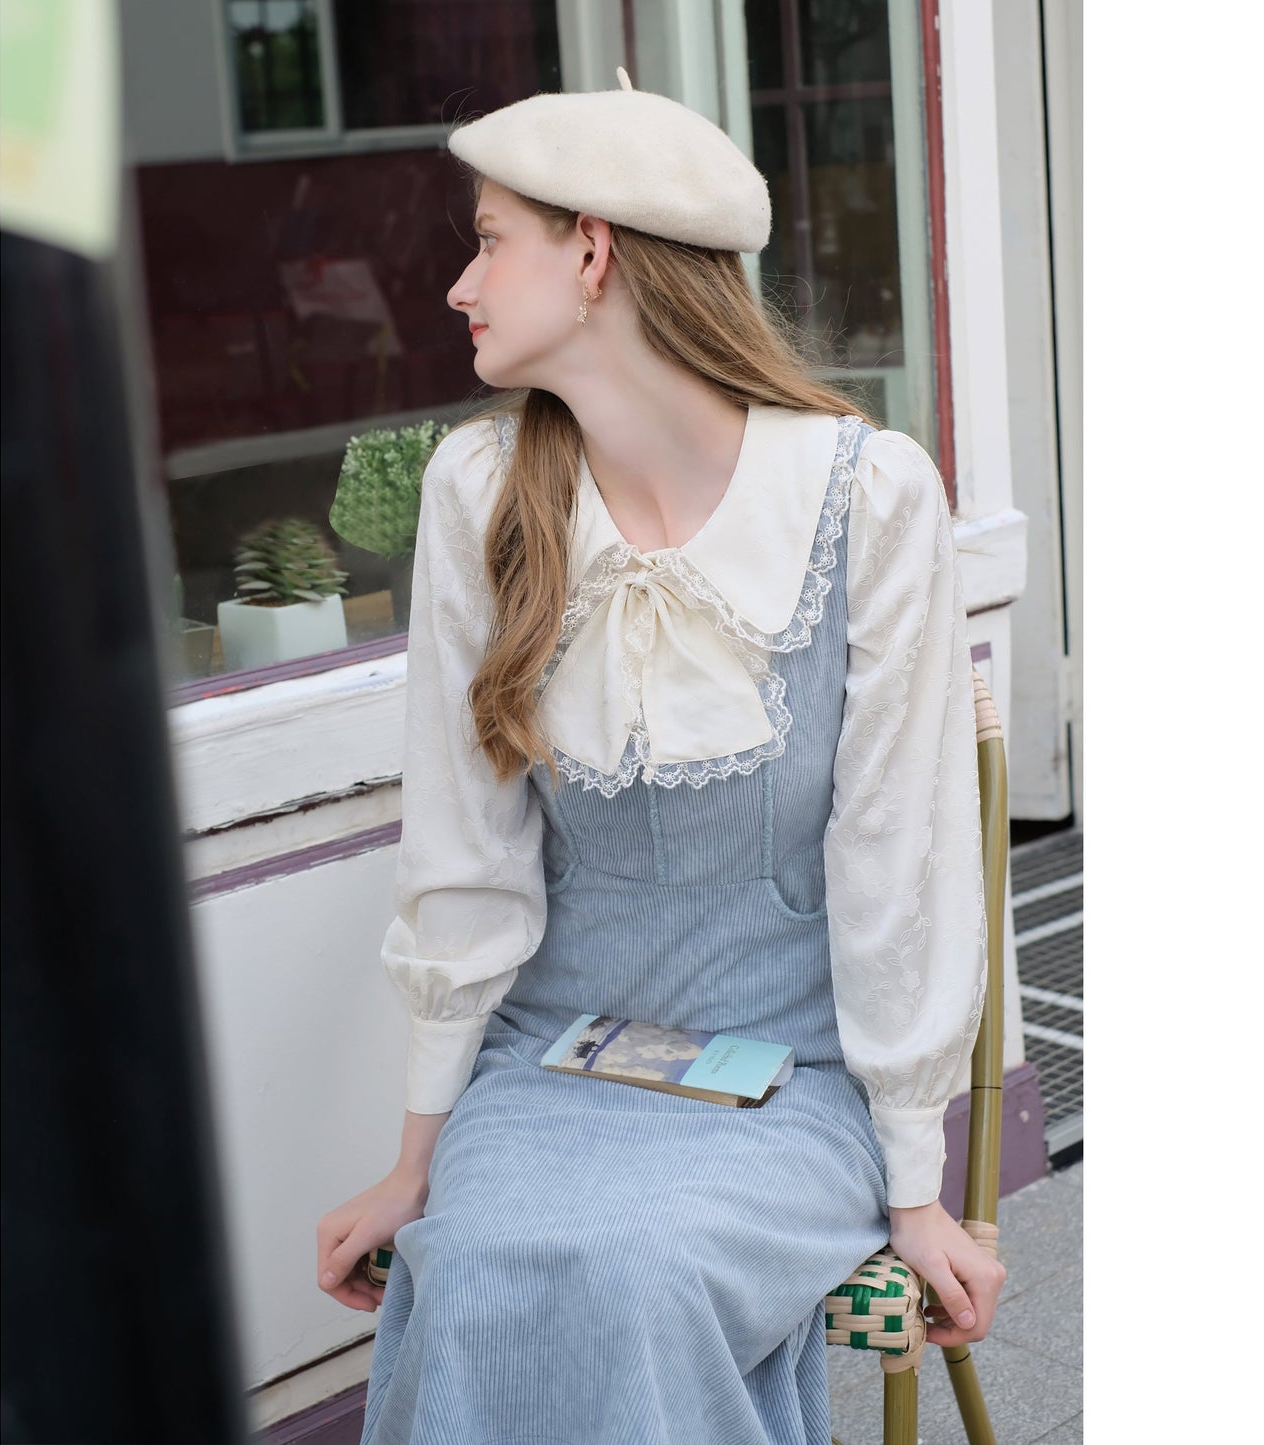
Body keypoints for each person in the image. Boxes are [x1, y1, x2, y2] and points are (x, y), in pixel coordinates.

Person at [317, 69, 1006, 1445]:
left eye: (489, 240)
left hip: (795, 1078)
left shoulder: (866, 497)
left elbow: (897, 861)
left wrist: (915, 1187)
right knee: (476, 1264)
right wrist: (415, 1160)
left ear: (592, 253)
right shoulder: (480, 494)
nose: (459, 284)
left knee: (640, 1274)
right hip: (551, 1064)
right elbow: (465, 852)